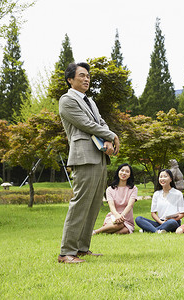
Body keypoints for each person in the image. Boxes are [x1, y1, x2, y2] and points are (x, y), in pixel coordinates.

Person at [58, 62, 120, 264]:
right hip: (83, 156)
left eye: (88, 76)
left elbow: (100, 122)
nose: (86, 79)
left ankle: (82, 248)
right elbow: (85, 124)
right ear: (70, 79)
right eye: (82, 75)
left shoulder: (90, 101)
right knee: (80, 203)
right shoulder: (67, 100)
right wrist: (111, 135)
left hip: (99, 154)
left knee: (93, 205)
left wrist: (108, 138)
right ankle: (66, 252)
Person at [93, 163, 138, 235]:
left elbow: (130, 205)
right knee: (119, 225)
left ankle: (107, 231)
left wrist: (121, 216)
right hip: (113, 216)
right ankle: (95, 232)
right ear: (118, 172)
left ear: (130, 175)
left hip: (126, 219)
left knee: (125, 230)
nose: (124, 173)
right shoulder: (110, 189)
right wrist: (117, 215)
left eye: (127, 171)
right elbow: (111, 206)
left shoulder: (133, 189)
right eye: (122, 170)